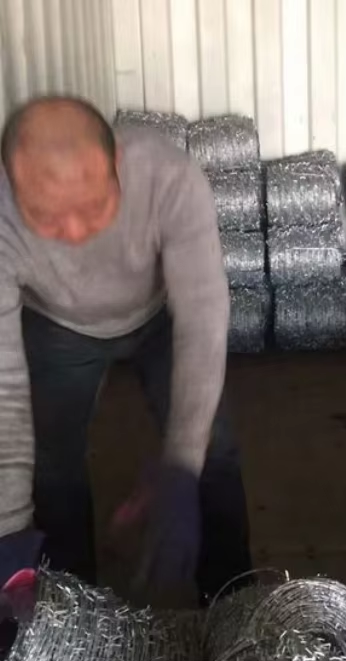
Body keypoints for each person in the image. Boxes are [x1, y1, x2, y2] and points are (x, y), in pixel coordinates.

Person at [0, 96, 251, 603]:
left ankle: (234, 601)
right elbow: (4, 385)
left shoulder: (170, 178)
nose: (74, 234)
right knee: (53, 466)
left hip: (159, 316)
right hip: (59, 325)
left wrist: (182, 463)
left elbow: (203, 316)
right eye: (45, 216)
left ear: (115, 160)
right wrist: (9, 530)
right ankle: (74, 610)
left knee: (214, 450)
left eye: (92, 207)